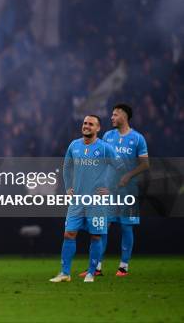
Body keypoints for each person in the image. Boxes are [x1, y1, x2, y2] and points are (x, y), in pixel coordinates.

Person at [50, 115, 123, 283]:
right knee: (69, 234)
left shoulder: (105, 148)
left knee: (96, 236)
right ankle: (65, 273)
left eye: (91, 124)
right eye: (85, 123)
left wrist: (111, 189)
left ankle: (91, 273)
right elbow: (67, 167)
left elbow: (121, 167)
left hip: (97, 202)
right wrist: (68, 187)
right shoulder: (74, 146)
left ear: (98, 128)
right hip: (77, 201)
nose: (86, 126)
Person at [79, 103, 149, 277]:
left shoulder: (138, 138)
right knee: (101, 227)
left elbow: (145, 164)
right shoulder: (108, 136)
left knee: (126, 227)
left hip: (128, 191)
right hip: (107, 190)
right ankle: (96, 267)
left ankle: (123, 266)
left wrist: (128, 175)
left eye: (115, 114)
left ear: (124, 116)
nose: (112, 117)